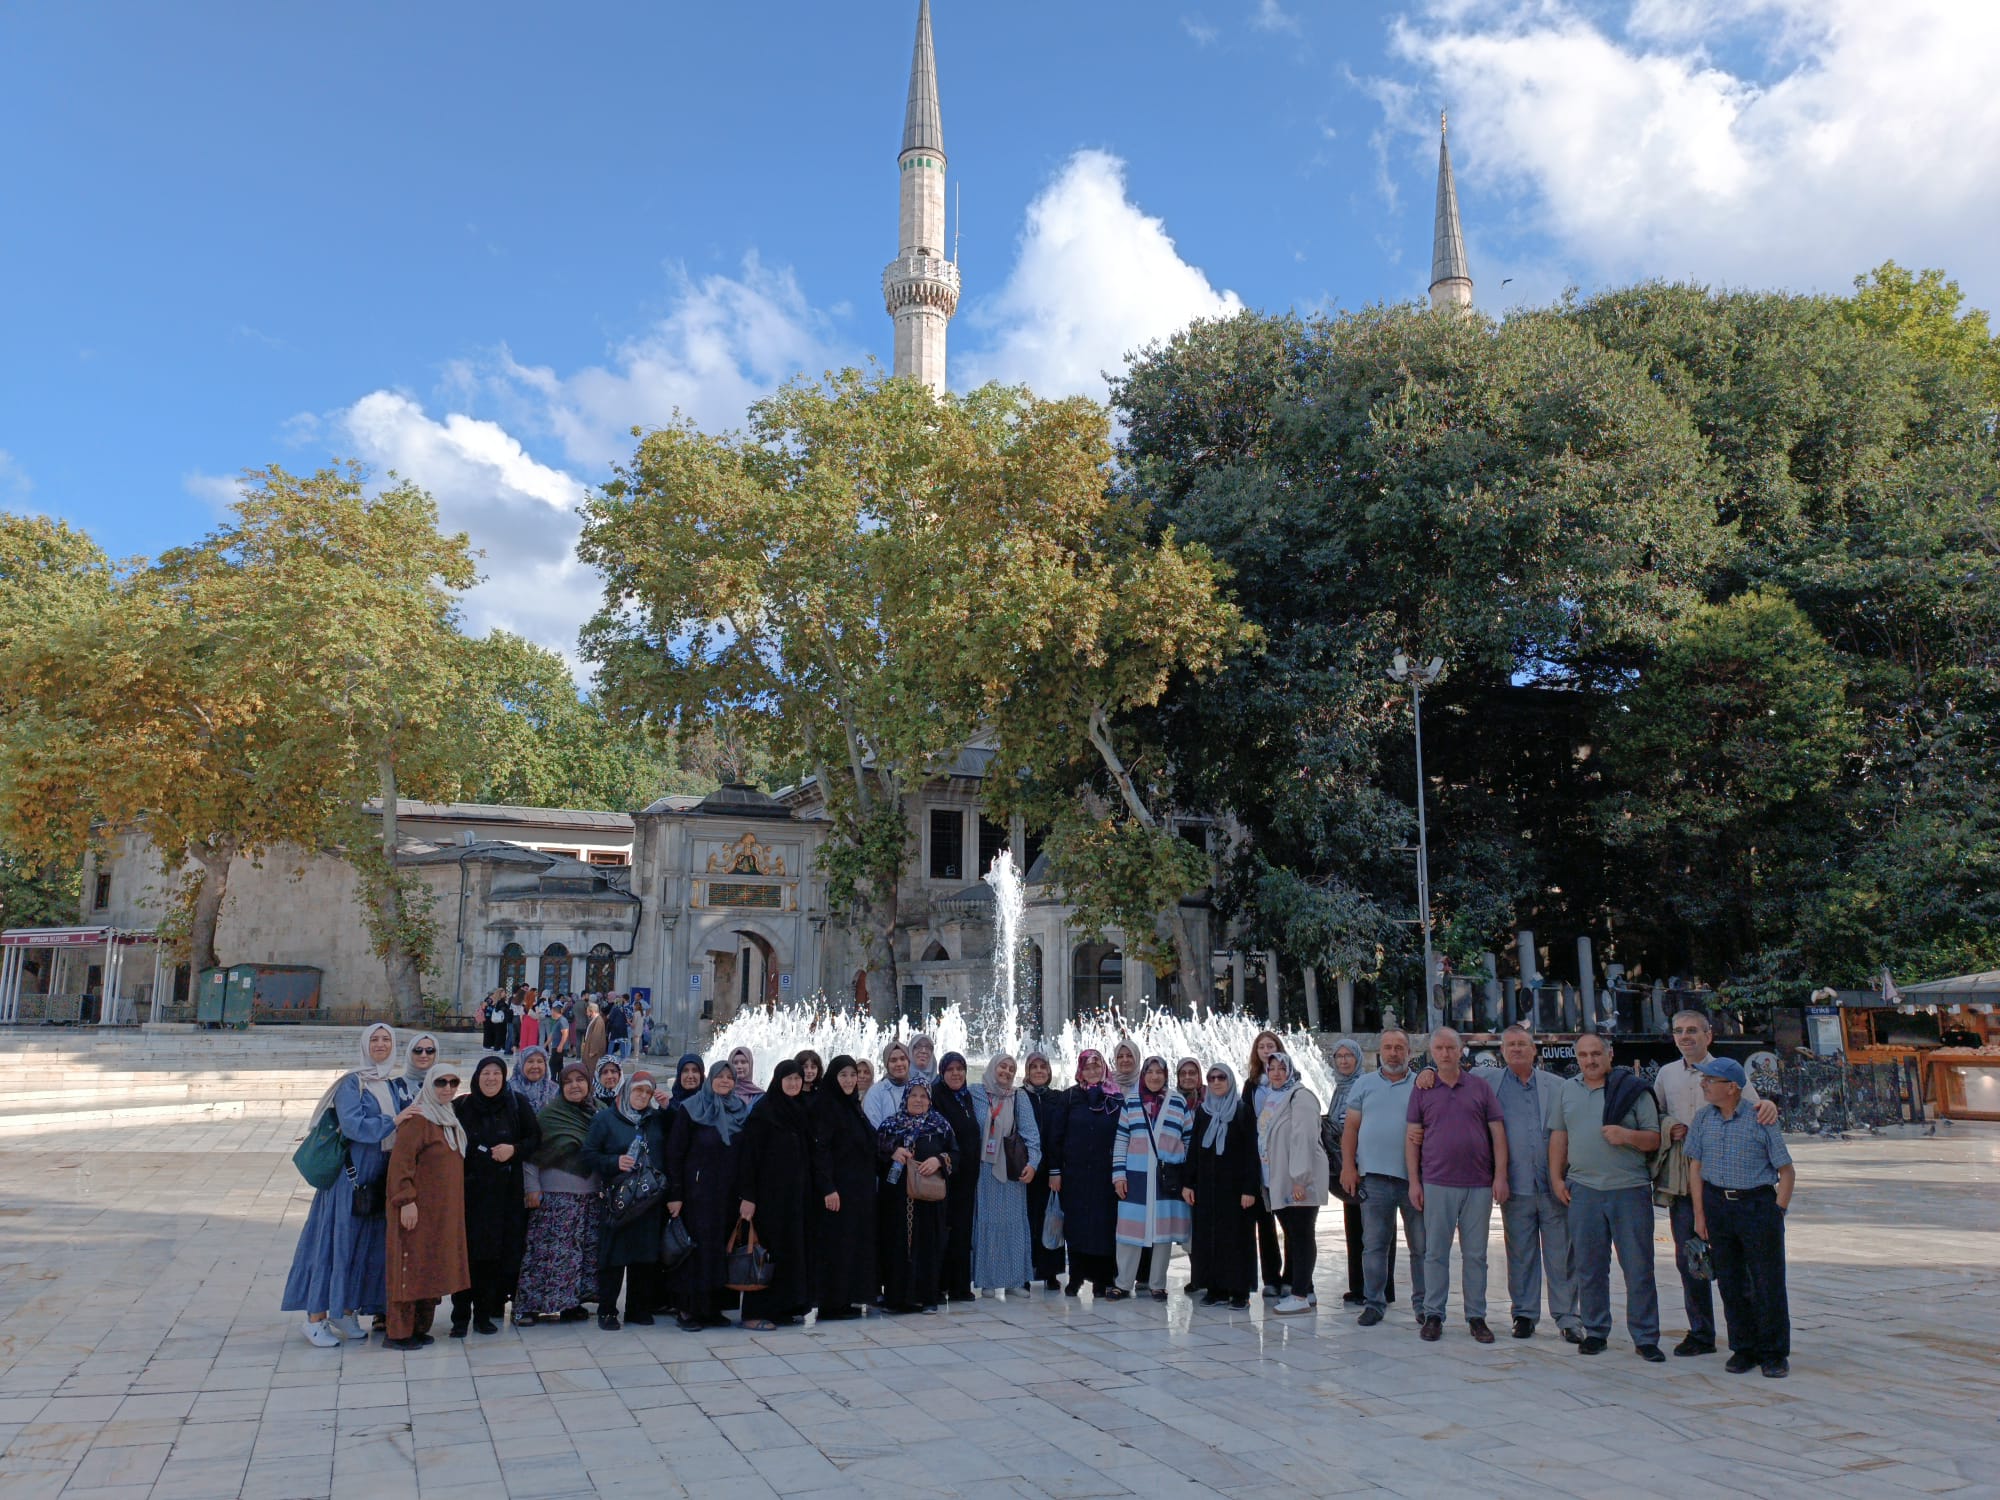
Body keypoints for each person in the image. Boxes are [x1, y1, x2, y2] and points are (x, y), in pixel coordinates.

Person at [1655, 1009, 1779, 1358]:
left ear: (1708, 1035)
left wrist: (1768, 1104)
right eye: (1678, 1030)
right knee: (1690, 1259)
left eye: (1692, 1030)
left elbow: (1754, 1108)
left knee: (1736, 1263)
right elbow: (1657, 1114)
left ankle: (1749, 1337)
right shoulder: (1666, 1075)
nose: (1685, 1037)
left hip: (1729, 1178)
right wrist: (1669, 1127)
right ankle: (1701, 1333)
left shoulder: (1727, 1070)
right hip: (1685, 1179)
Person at [282, 1023, 404, 1346]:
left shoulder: (388, 1084)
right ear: (365, 1045)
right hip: (348, 1179)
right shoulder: (353, 1083)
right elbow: (352, 1126)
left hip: (374, 1178)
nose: (380, 1045)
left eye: (386, 1040)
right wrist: (393, 1122)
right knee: (333, 1244)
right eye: (375, 1040)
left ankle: (345, 1309)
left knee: (361, 1246)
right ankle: (315, 1317)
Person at [1550, 1033, 1665, 1362]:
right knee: (1589, 1267)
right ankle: (1596, 1331)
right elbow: (1559, 1136)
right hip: (1583, 1190)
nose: (1590, 1060)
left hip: (1628, 1189)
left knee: (1638, 1267)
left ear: (1610, 1054)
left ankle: (1645, 1337)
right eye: (1584, 1055)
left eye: (1596, 1053)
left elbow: (1653, 1139)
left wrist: (1626, 1135)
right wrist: (1556, 1178)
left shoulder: (1632, 1090)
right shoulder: (1567, 1090)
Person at [1684, 1056, 1795, 1378]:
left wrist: (1779, 1211)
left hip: (1756, 1205)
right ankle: (1743, 1347)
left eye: (1710, 1081)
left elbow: (1786, 1170)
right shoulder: (1703, 1119)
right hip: (1718, 1204)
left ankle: (1774, 1352)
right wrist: (1700, 1214)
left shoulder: (1761, 1118)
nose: (1704, 1085)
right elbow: (1695, 1167)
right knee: (1731, 1281)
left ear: (1732, 1088)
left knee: (1767, 1281)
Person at [1404, 1026, 1508, 1344]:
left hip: (1477, 1183)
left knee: (1475, 1254)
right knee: (1435, 1253)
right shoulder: (1422, 1088)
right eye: (1439, 1049)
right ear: (1432, 1053)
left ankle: (1476, 1316)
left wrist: (1500, 1175)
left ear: (1461, 1050)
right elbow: (1411, 1139)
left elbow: (1498, 1134)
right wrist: (1414, 1182)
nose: (1446, 1053)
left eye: (1451, 1047)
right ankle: (1433, 1314)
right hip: (1437, 1182)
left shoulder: (1479, 1087)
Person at [1486, 1026, 1581, 1343]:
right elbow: (1449, 1071)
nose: (1516, 1049)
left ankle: (1568, 1317)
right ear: (1502, 1051)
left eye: (1522, 1044)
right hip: (1515, 1187)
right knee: (1520, 1255)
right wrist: (1424, 1074)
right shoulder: (1490, 1084)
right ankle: (1524, 1315)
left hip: (1553, 1185)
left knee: (1561, 1256)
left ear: (1534, 1050)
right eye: (1510, 1045)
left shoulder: (1558, 1086)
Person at [450, 1054, 541, 1336]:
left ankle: (485, 1314)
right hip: (468, 1194)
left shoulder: (516, 1104)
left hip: (504, 1195)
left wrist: (513, 1150)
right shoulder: (461, 1106)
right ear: (477, 1077)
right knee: (466, 1255)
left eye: (496, 1074)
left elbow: (534, 1139)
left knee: (493, 1256)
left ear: (504, 1078)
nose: (491, 1079)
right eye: (485, 1073)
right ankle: (460, 1317)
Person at [384, 1060, 471, 1350]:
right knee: (409, 1267)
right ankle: (398, 1332)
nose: (447, 1088)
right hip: (415, 1210)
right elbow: (400, 1165)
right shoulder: (418, 1120)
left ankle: (419, 1328)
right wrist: (405, 1201)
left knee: (429, 1266)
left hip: (441, 1212)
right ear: (429, 1085)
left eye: (453, 1083)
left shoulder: (448, 1118)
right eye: (440, 1082)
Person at [1341, 1028, 1423, 1327]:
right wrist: (1348, 1167)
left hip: (1414, 1179)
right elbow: (1350, 1129)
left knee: (1421, 1247)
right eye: (1388, 1047)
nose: (1393, 1053)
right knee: (1374, 1244)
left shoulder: (1422, 1085)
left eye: (1399, 1047)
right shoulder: (1364, 1084)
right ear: (1380, 1052)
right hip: (1373, 1179)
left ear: (1409, 1053)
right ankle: (1374, 1303)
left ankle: (1424, 1306)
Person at [580, 1073, 670, 1329]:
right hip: (618, 1198)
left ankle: (638, 1309)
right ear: (627, 1090)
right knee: (614, 1255)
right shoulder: (606, 1119)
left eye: (648, 1093)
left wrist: (667, 1107)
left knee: (644, 1254)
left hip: (648, 1197)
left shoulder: (655, 1120)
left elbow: (674, 1137)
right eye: (638, 1091)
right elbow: (588, 1154)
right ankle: (607, 1310)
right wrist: (614, 1162)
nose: (642, 1096)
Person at [515, 1062, 600, 1327]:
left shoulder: (600, 1113)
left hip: (589, 1196)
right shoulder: (549, 1115)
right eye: (568, 1082)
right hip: (554, 1197)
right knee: (546, 1254)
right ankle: (528, 1307)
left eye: (580, 1080)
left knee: (578, 1257)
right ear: (561, 1087)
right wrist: (532, 1187)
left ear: (589, 1083)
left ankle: (570, 1305)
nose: (575, 1086)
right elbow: (530, 1155)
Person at [665, 1061, 749, 1331]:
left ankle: (713, 1307)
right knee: (696, 1250)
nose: (725, 1081)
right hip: (697, 1193)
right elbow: (675, 1153)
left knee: (720, 1248)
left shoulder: (740, 1110)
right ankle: (688, 1309)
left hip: (727, 1194)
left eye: (729, 1077)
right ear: (709, 1078)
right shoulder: (691, 1110)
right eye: (720, 1076)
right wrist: (675, 1193)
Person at [736, 1059, 817, 1330]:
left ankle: (784, 1307)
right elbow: (748, 1158)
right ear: (778, 1080)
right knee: (764, 1253)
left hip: (795, 1198)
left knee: (791, 1252)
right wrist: (748, 1196)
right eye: (788, 1079)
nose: (794, 1083)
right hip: (768, 1198)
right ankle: (754, 1313)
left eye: (797, 1079)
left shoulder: (799, 1111)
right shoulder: (764, 1112)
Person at [1108, 1056, 1191, 1301]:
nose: (1155, 1076)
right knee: (1129, 1230)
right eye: (1150, 1071)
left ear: (1166, 1076)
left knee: (1162, 1233)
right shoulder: (1131, 1101)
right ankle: (1123, 1283)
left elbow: (1188, 1139)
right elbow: (1122, 1139)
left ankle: (1157, 1284)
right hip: (1136, 1176)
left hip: (1166, 1177)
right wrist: (1118, 1175)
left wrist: (1183, 1175)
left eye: (1159, 1072)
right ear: (1143, 1075)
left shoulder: (1177, 1102)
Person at [1043, 1050, 1121, 1297]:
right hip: (1074, 1175)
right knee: (1076, 1226)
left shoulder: (1115, 1099)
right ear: (1080, 1071)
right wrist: (1055, 1172)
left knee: (1104, 1225)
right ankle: (1076, 1276)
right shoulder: (1069, 1098)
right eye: (1087, 1068)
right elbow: (1055, 1138)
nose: (1093, 1072)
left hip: (1105, 1176)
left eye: (1097, 1067)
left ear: (1104, 1069)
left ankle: (1102, 1279)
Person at [1255, 1052, 1328, 1315]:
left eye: (1281, 1068)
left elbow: (1304, 1137)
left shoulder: (1301, 1096)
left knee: (1301, 1234)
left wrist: (1300, 1178)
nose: (1276, 1072)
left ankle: (1299, 1295)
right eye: (1271, 1067)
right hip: (1278, 1179)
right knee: (1294, 1235)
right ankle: (1304, 1289)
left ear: (1291, 1070)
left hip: (1298, 1180)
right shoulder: (1273, 1097)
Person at [1186, 1062, 1261, 1308]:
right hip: (1207, 1189)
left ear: (1230, 1081)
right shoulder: (1203, 1113)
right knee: (1209, 1238)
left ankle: (1240, 1291)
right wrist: (1189, 1183)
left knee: (1237, 1239)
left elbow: (1251, 1153)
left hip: (1235, 1189)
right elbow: (1194, 1151)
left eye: (1221, 1077)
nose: (1216, 1082)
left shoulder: (1242, 1112)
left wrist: (1250, 1189)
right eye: (1212, 1078)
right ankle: (1215, 1288)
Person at [875, 1079, 955, 1313]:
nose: (918, 1100)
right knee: (895, 1244)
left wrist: (939, 1160)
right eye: (914, 1096)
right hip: (896, 1200)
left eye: (923, 1096)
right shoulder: (890, 1126)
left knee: (928, 1245)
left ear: (930, 1100)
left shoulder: (940, 1125)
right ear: (906, 1098)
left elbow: (956, 1154)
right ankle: (896, 1299)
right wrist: (892, 1151)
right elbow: (874, 1156)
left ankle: (927, 1298)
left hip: (929, 1201)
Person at [810, 1055, 879, 1320]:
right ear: (833, 1078)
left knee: (853, 1244)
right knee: (836, 1246)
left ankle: (849, 1298)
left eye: (853, 1075)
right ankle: (832, 1303)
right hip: (838, 1190)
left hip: (857, 1190)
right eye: (844, 1075)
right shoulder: (826, 1106)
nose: (850, 1080)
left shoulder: (852, 1106)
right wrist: (827, 1187)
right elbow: (821, 1150)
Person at [968, 1054, 1042, 1294]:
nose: (1007, 1072)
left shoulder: (1018, 1096)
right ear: (992, 1067)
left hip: (1011, 1170)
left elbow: (1031, 1134)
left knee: (1013, 1224)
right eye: (1002, 1066)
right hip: (984, 1170)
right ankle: (988, 1280)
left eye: (1011, 1069)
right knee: (987, 1224)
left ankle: (1014, 1280)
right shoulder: (976, 1093)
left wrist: (1033, 1164)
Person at [928, 1052, 983, 1302]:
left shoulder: (966, 1097)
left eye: (960, 1068)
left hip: (967, 1178)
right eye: (950, 1069)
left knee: (961, 1231)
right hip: (945, 1175)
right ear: (942, 1072)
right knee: (942, 1231)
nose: (956, 1074)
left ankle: (960, 1286)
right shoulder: (937, 1097)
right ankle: (938, 1286)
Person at [1323, 1039, 1371, 1306]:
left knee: (1373, 1228)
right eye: (1338, 1056)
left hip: (1363, 1164)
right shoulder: (1339, 1087)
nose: (1343, 1061)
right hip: (1345, 1166)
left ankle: (1378, 1288)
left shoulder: (1364, 1085)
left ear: (1357, 1058)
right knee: (1353, 1226)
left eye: (1348, 1056)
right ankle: (1357, 1286)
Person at [1244, 1028, 1286, 1295]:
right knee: (1264, 1222)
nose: (1267, 1050)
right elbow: (1245, 1121)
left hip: (1283, 1159)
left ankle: (1294, 1277)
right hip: (1258, 1161)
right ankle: (1271, 1278)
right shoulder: (1251, 1085)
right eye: (1262, 1047)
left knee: (1290, 1222)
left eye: (1271, 1045)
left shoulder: (1290, 1082)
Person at [1021, 1051, 1066, 1290]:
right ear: (1027, 1071)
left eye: (1043, 1067)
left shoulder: (1057, 1098)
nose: (1039, 1071)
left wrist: (1057, 1170)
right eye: (1034, 1067)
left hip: (1051, 1170)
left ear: (1049, 1072)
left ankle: (1050, 1273)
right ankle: (1027, 1271)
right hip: (1027, 1170)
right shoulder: (1019, 1097)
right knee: (1027, 1220)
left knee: (1052, 1218)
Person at [865, 1042, 913, 1127]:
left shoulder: (917, 1088)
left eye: (903, 1059)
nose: (899, 1064)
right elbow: (873, 1127)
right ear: (886, 1064)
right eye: (893, 1060)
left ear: (909, 1061)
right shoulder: (876, 1091)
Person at [509, 1045, 558, 1114]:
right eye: (530, 1061)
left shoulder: (555, 1090)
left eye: (540, 1061)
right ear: (521, 1064)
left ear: (545, 1065)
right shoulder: (508, 1090)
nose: (535, 1066)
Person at [579, 1001, 608, 1072]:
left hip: (593, 1052)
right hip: (589, 1049)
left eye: (588, 1012)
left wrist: (593, 1051)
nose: (587, 1013)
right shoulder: (595, 1020)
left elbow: (596, 1036)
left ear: (592, 1011)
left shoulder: (598, 1021)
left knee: (591, 1069)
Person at [604, 994, 630, 1061]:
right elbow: (625, 1018)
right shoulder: (622, 1008)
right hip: (623, 1029)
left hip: (615, 1028)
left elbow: (611, 1018)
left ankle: (609, 1055)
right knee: (622, 1042)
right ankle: (623, 1056)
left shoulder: (614, 1008)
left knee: (612, 1042)